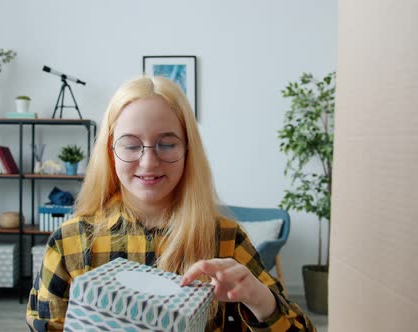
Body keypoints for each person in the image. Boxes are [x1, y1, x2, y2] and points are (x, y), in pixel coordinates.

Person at [26, 76, 315, 331]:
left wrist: (260, 299)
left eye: (167, 144)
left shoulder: (227, 240)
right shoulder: (69, 243)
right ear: (110, 150)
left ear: (188, 151)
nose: (149, 162)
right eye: (131, 144)